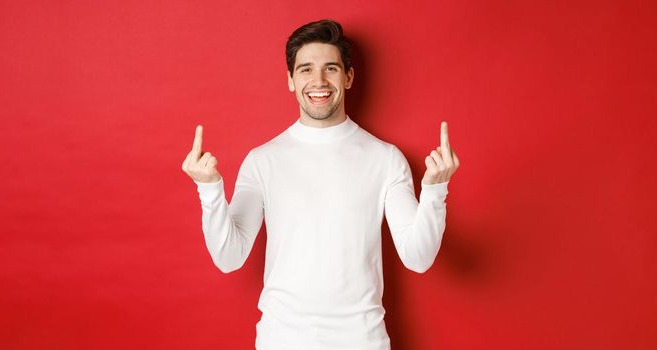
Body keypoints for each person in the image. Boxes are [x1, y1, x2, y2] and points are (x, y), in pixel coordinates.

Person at [181, 19, 460, 350]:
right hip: (281, 340)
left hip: (363, 341)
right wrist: (210, 190)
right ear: (289, 80)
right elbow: (229, 257)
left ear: (348, 77)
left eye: (330, 68)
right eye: (305, 70)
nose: (318, 81)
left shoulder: (385, 159)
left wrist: (435, 191)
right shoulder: (262, 161)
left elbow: (418, 257)